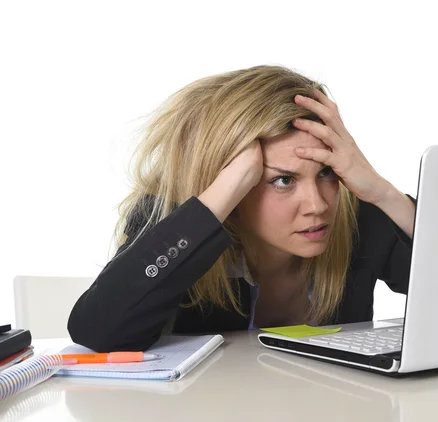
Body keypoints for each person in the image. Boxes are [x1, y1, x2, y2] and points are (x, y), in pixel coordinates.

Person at [67, 65, 417, 352]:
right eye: (283, 180)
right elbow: (100, 332)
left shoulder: (358, 216)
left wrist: (383, 193)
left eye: (326, 172)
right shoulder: (177, 227)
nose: (317, 204)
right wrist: (222, 194)